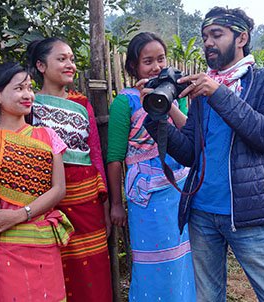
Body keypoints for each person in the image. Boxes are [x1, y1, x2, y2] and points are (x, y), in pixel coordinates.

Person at [143, 7, 264, 301]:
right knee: (208, 297)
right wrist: (156, 117)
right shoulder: (204, 90)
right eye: (204, 37)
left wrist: (218, 93)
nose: (208, 43)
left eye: (216, 35)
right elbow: (190, 153)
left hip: (249, 213)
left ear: (241, 38)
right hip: (201, 213)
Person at [0, 62, 73, 301]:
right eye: (19, 88)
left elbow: (59, 190)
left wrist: (20, 214)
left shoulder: (49, 137)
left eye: (29, 87)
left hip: (45, 245)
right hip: (6, 249)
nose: (28, 95)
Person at [106, 32, 196, 301]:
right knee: (153, 261)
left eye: (161, 59)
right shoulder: (126, 102)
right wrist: (116, 203)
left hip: (178, 187)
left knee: (183, 259)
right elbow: (114, 157)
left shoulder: (172, 95)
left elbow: (187, 133)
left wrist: (169, 104)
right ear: (134, 66)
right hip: (145, 197)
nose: (156, 66)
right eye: (148, 61)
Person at [24, 37, 113, 302]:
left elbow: (95, 154)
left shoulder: (83, 104)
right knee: (53, 267)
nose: (70, 65)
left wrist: (106, 205)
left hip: (87, 201)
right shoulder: (30, 104)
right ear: (41, 65)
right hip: (48, 201)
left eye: (72, 59)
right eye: (61, 59)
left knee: (93, 269)